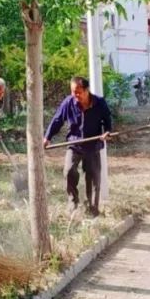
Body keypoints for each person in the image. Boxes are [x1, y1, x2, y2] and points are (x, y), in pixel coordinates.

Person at [44, 76, 112, 217]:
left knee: (93, 178)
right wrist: (47, 137)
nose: (75, 95)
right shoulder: (69, 103)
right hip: (74, 144)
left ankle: (92, 208)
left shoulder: (99, 103)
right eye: (73, 92)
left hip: (93, 146)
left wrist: (107, 132)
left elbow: (107, 121)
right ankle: (73, 203)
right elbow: (57, 120)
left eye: (78, 92)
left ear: (87, 90)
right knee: (69, 171)